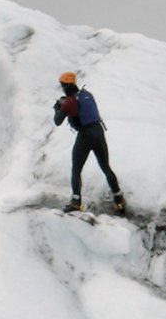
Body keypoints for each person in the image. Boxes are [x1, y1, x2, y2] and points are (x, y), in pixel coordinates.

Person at [53, 72, 125, 215]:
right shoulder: (87, 95)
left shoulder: (69, 102)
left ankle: (76, 202)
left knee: (76, 169)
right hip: (98, 131)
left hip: (85, 135)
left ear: (65, 85)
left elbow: (57, 121)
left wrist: (58, 108)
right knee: (105, 167)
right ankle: (119, 200)